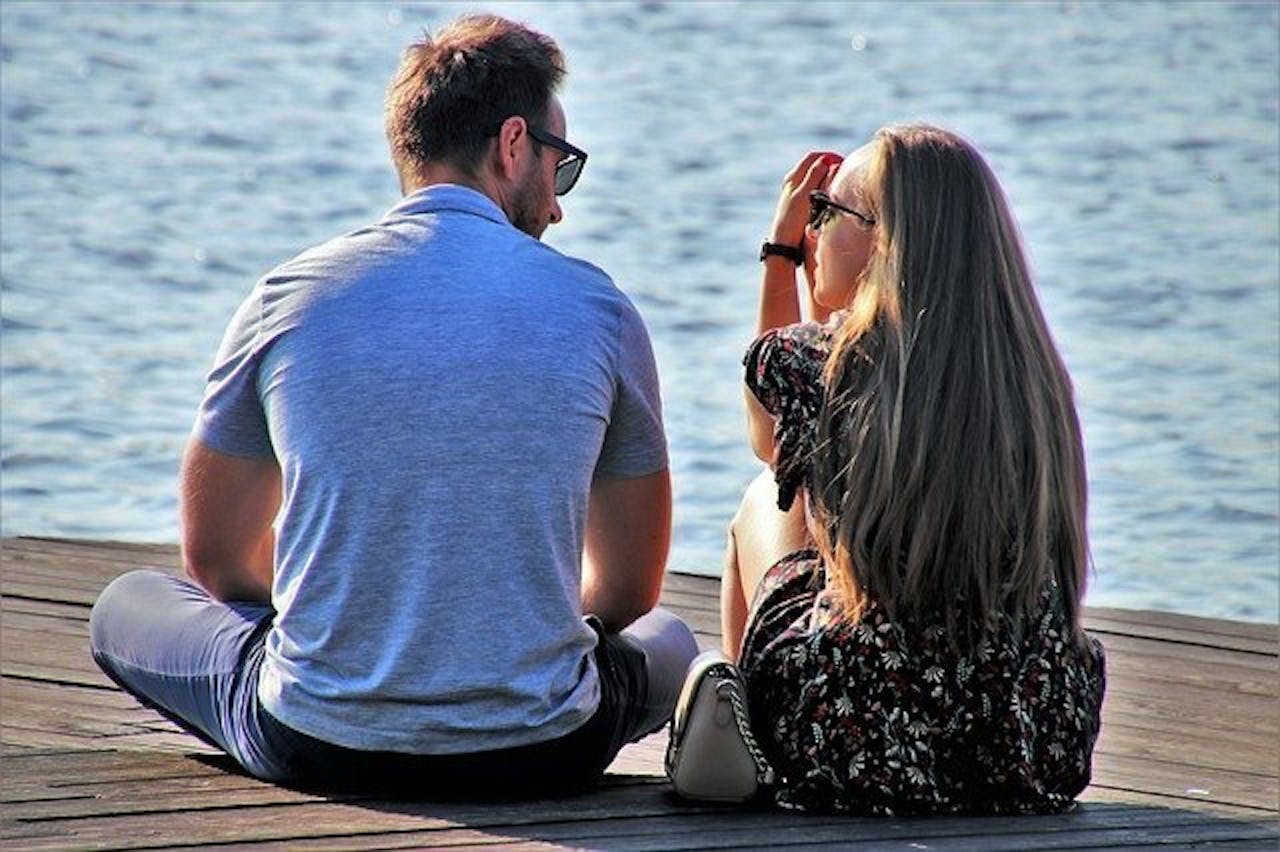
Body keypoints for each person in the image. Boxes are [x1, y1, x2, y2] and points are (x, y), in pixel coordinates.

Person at [89, 14, 697, 796]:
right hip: (543, 746)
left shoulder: (287, 297)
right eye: (561, 166)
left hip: (316, 739)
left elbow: (218, 562)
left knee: (126, 603)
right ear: (513, 146)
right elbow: (623, 596)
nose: (557, 207)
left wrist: (358, 598)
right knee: (671, 638)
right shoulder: (600, 311)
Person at [720, 125, 1106, 815]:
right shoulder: (1033, 377)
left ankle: (739, 747)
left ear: (883, 241)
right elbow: (818, 408)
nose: (813, 230)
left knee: (759, 502)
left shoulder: (826, 364)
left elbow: (773, 442)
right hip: (1032, 737)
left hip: (862, 733)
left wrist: (778, 257)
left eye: (825, 212)